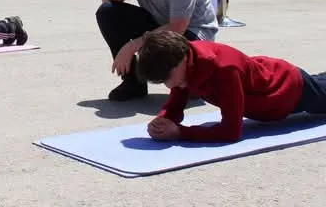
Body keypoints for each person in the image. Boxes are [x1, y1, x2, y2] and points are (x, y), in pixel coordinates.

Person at [137, 30, 326, 143]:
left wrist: (181, 132)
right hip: (269, 74)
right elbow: (175, 106)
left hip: (288, 90)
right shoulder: (182, 59)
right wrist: (162, 121)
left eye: (168, 78)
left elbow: (231, 131)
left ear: (182, 60)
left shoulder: (225, 70)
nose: (169, 84)